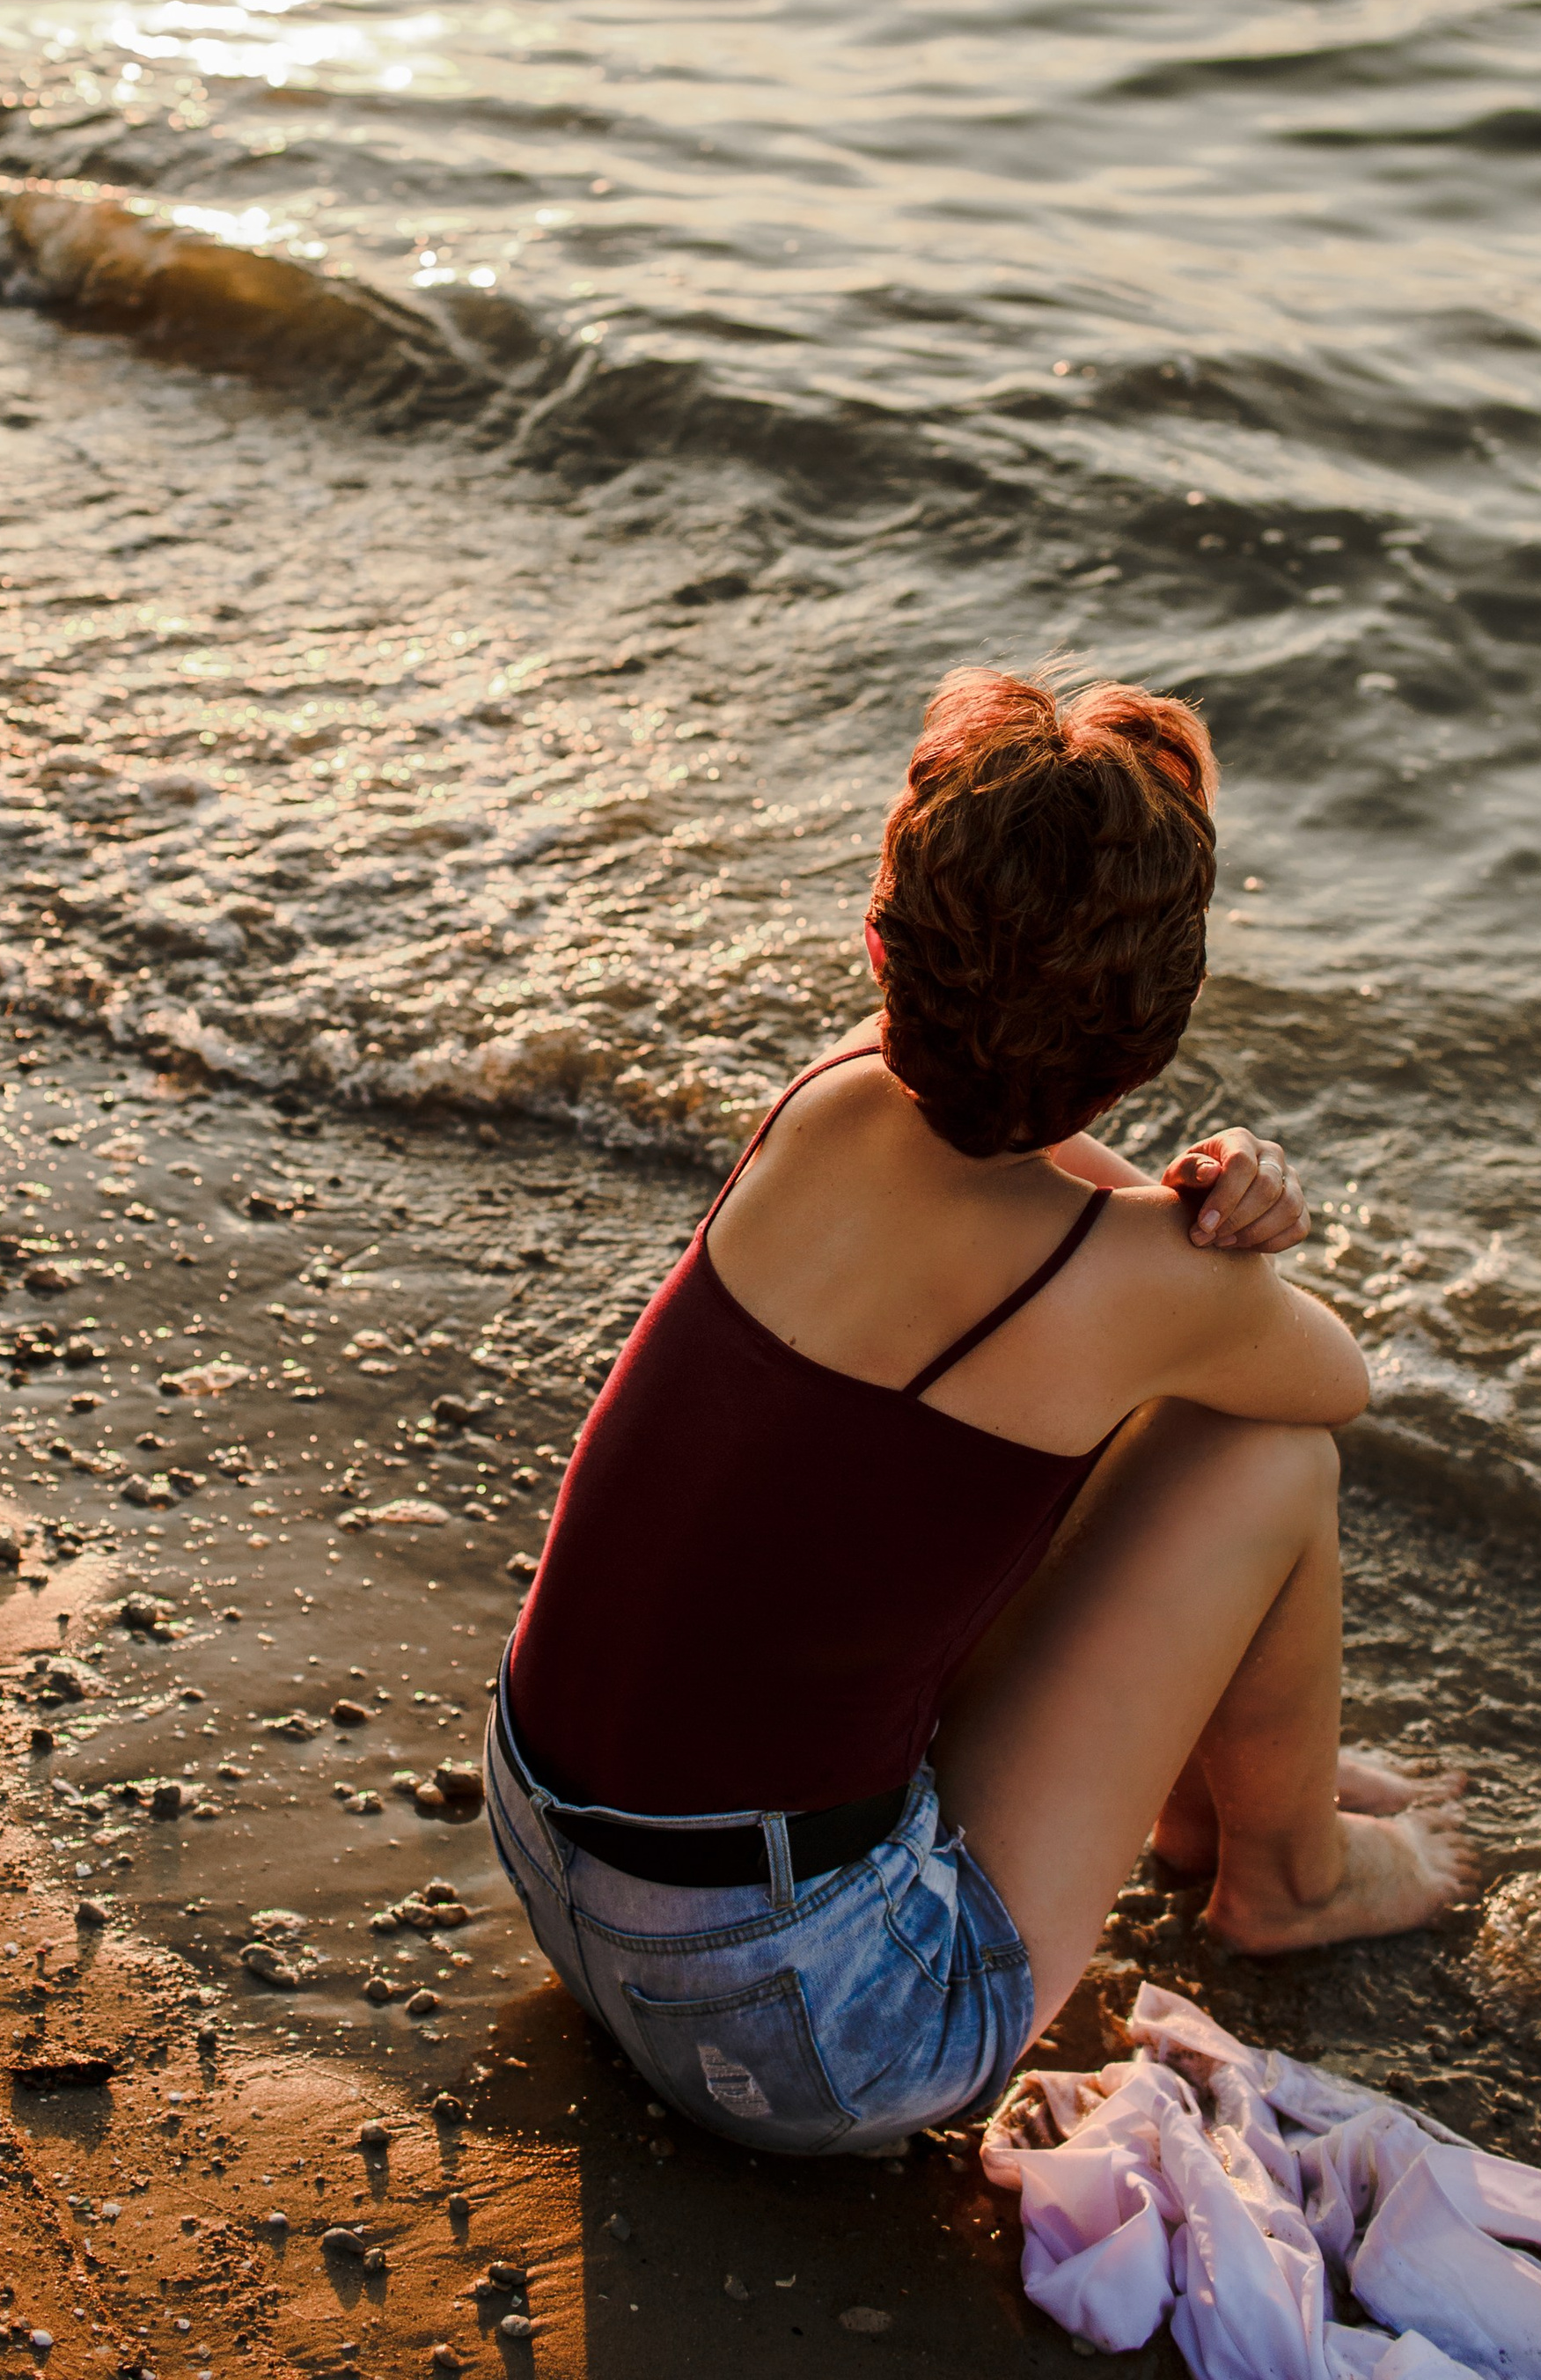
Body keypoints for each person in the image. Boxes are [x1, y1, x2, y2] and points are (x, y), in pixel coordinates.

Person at [486, 664, 1473, 2158]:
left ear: (886, 938)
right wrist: (1225, 1217)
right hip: (807, 2026)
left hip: (558, 1849)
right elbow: (1328, 1375)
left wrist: (1164, 1236)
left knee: (1052, 1423)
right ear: (1153, 1035)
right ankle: (1289, 1873)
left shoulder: (831, 1101)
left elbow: (1052, 1268)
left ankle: (1215, 1788)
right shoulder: (1117, 1271)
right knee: (1262, 1452)